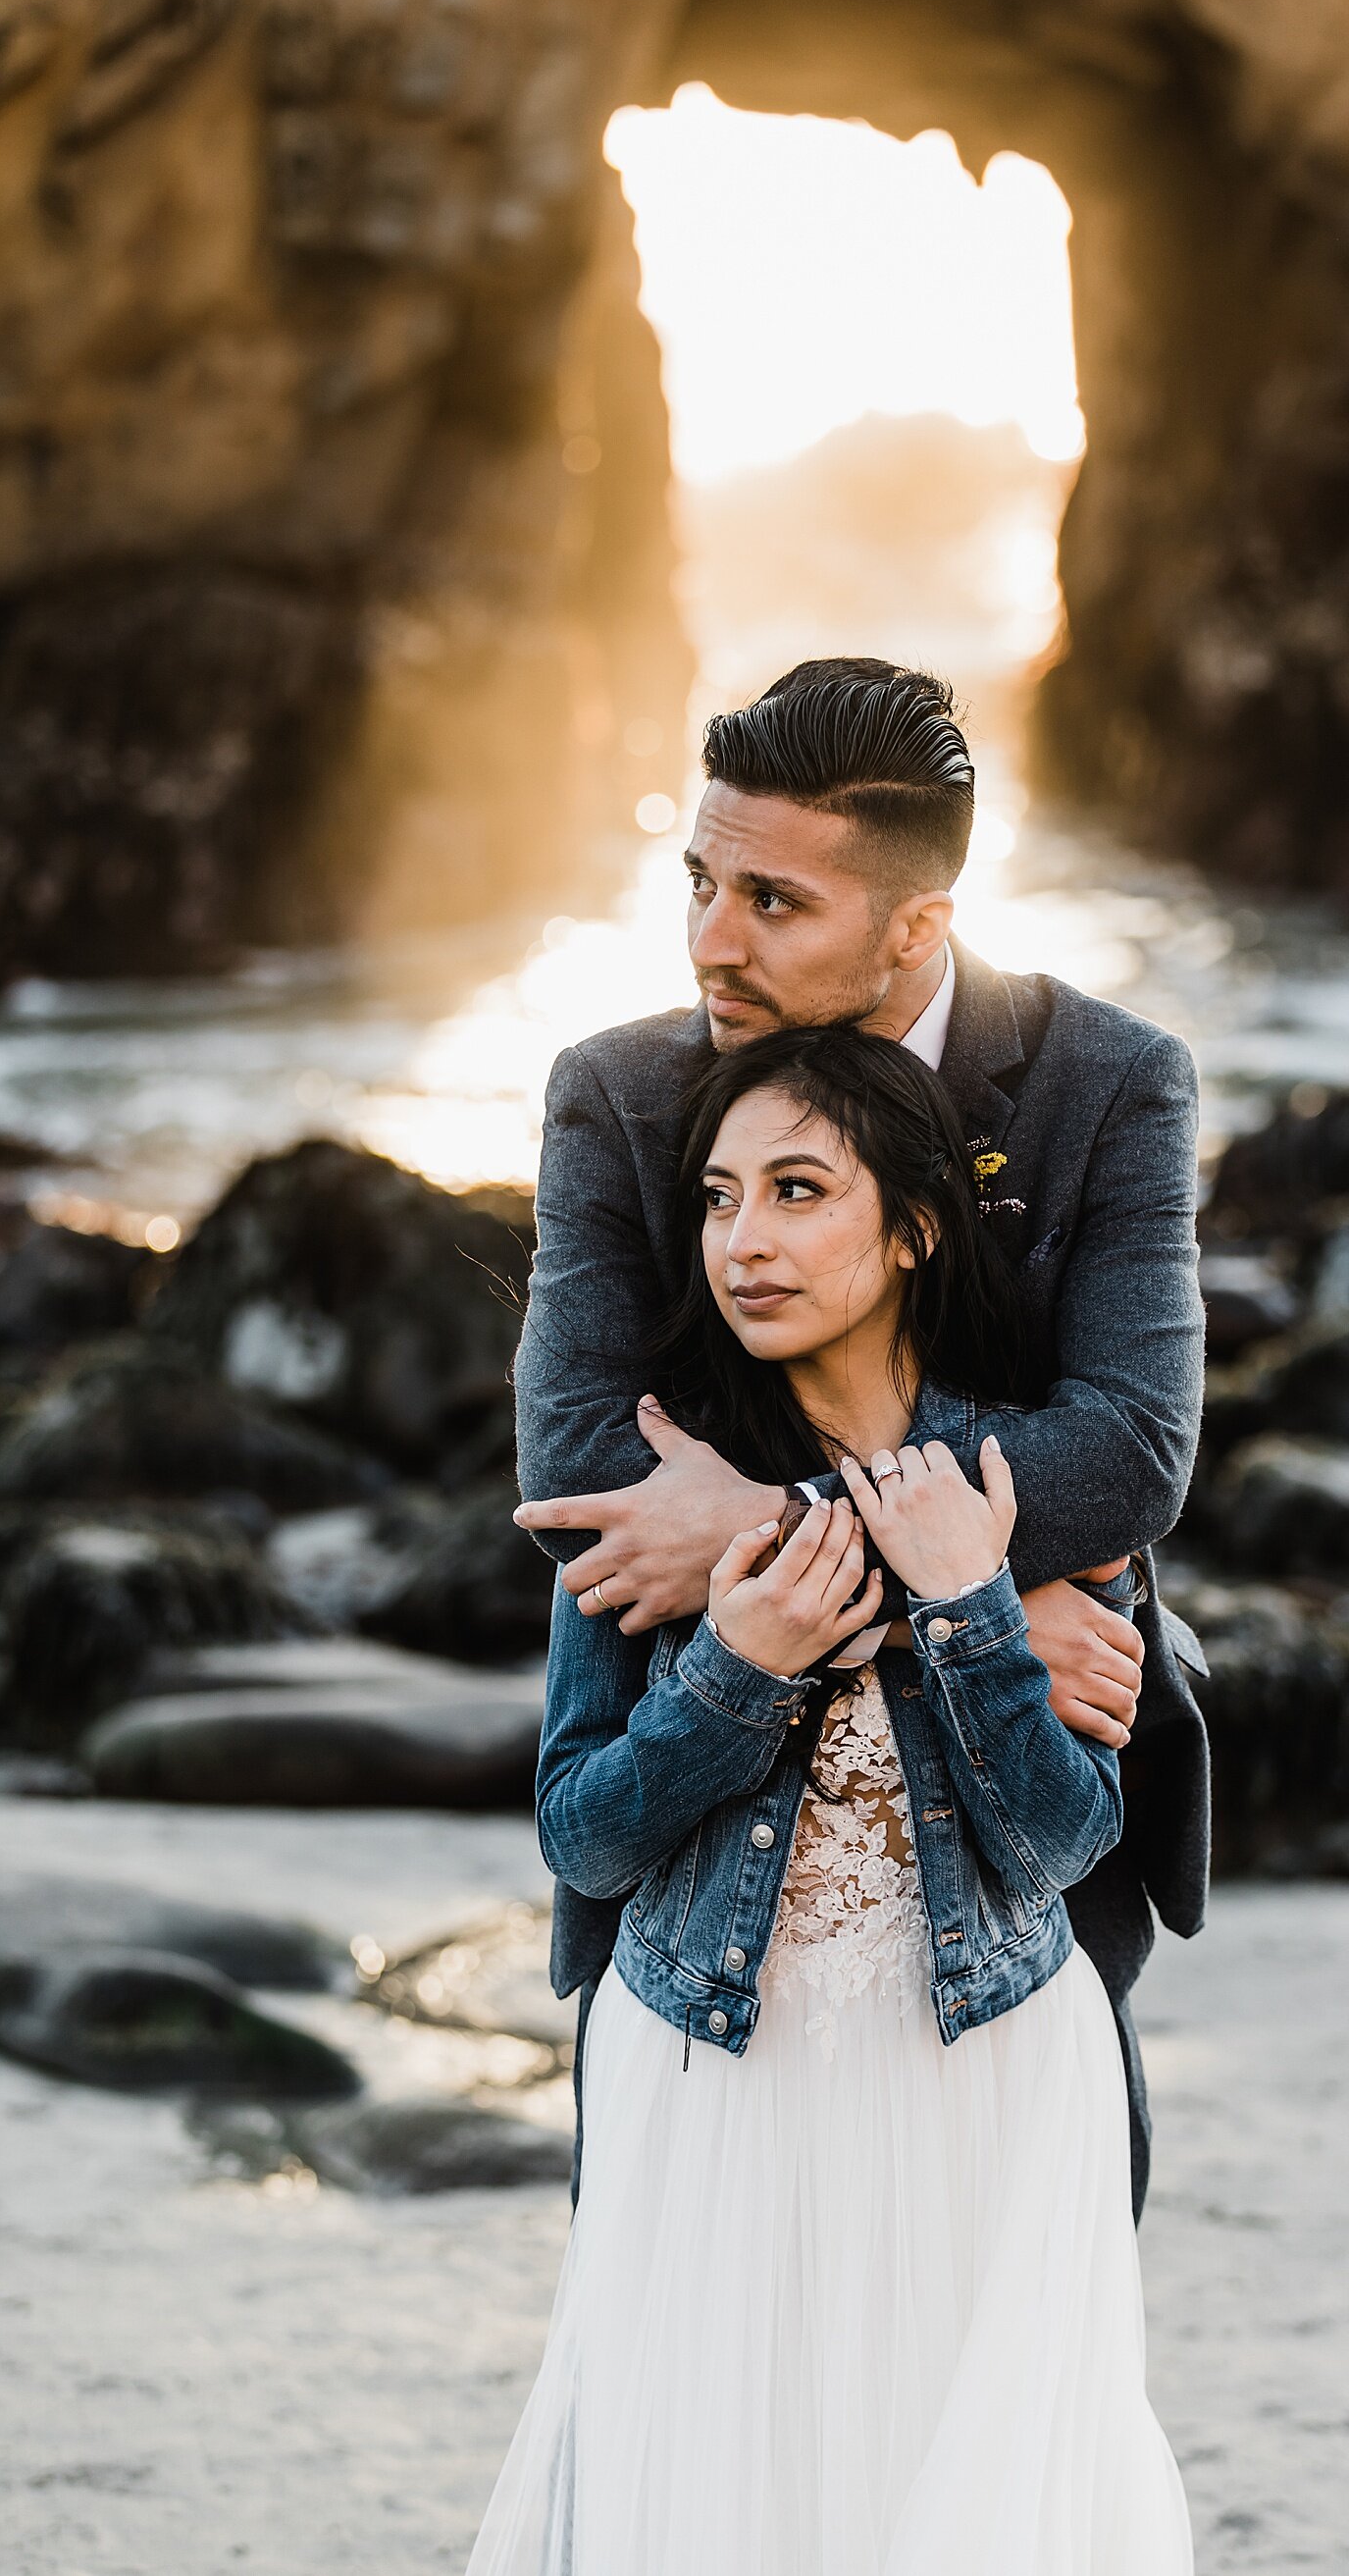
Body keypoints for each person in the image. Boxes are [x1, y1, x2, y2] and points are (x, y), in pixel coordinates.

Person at [468, 1025, 1193, 2573]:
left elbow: (1067, 1839)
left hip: (985, 2068)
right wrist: (739, 1662)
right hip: (713, 2072)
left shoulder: (1027, 1488)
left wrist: (971, 1613)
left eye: (799, 1191)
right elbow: (584, 1831)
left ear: (916, 1223)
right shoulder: (661, 1488)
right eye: (722, 1198)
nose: (747, 1240)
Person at [514, 656, 1210, 2222]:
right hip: (711, 1841)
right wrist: (973, 1605)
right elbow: (580, 1468)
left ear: (917, 928)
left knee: (1018, 2361)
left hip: (1032, 1809)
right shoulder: (619, 1098)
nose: (710, 941)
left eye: (774, 902)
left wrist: (765, 1536)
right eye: (697, 880)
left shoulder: (1110, 1085)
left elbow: (1130, 1454)